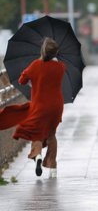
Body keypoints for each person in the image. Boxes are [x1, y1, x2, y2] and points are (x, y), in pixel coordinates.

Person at [0, 37, 66, 178]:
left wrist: (32, 78)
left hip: (40, 105)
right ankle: (52, 167)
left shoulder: (36, 65)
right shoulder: (61, 67)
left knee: (36, 132)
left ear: (42, 51)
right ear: (56, 53)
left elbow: (22, 80)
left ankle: (37, 156)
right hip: (56, 107)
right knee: (51, 134)